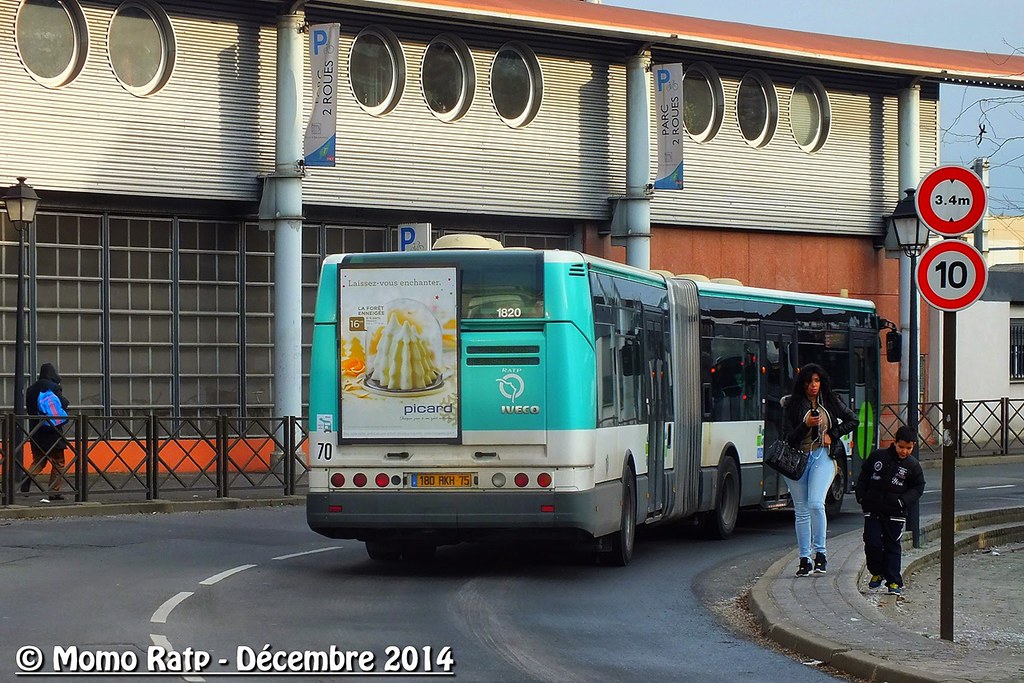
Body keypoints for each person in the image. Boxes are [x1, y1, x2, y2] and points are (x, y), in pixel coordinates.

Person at [781, 363, 858, 577]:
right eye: (809, 382)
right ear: (802, 384)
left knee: (816, 503)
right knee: (801, 510)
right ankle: (804, 559)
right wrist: (805, 424)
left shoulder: (831, 400)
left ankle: (821, 554)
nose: (813, 385)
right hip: (797, 460)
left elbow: (853, 419)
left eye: (817, 381)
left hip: (823, 456)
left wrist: (833, 434)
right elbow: (788, 438)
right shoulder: (792, 405)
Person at [855, 424, 926, 596]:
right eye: (901, 447)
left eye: (908, 448)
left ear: (913, 446)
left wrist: (902, 501)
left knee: (892, 545)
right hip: (873, 509)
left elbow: (918, 487)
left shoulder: (913, 465)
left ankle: (894, 581)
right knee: (872, 542)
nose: (904, 451)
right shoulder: (878, 456)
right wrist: (862, 497)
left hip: (895, 513)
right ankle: (877, 572)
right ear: (894, 442)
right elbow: (864, 476)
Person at [21, 363, 71, 502]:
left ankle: (28, 476)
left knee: (39, 460)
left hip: (35, 430)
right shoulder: (53, 387)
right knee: (59, 462)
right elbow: (62, 404)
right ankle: (54, 492)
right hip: (52, 430)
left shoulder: (31, 389)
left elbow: (30, 409)